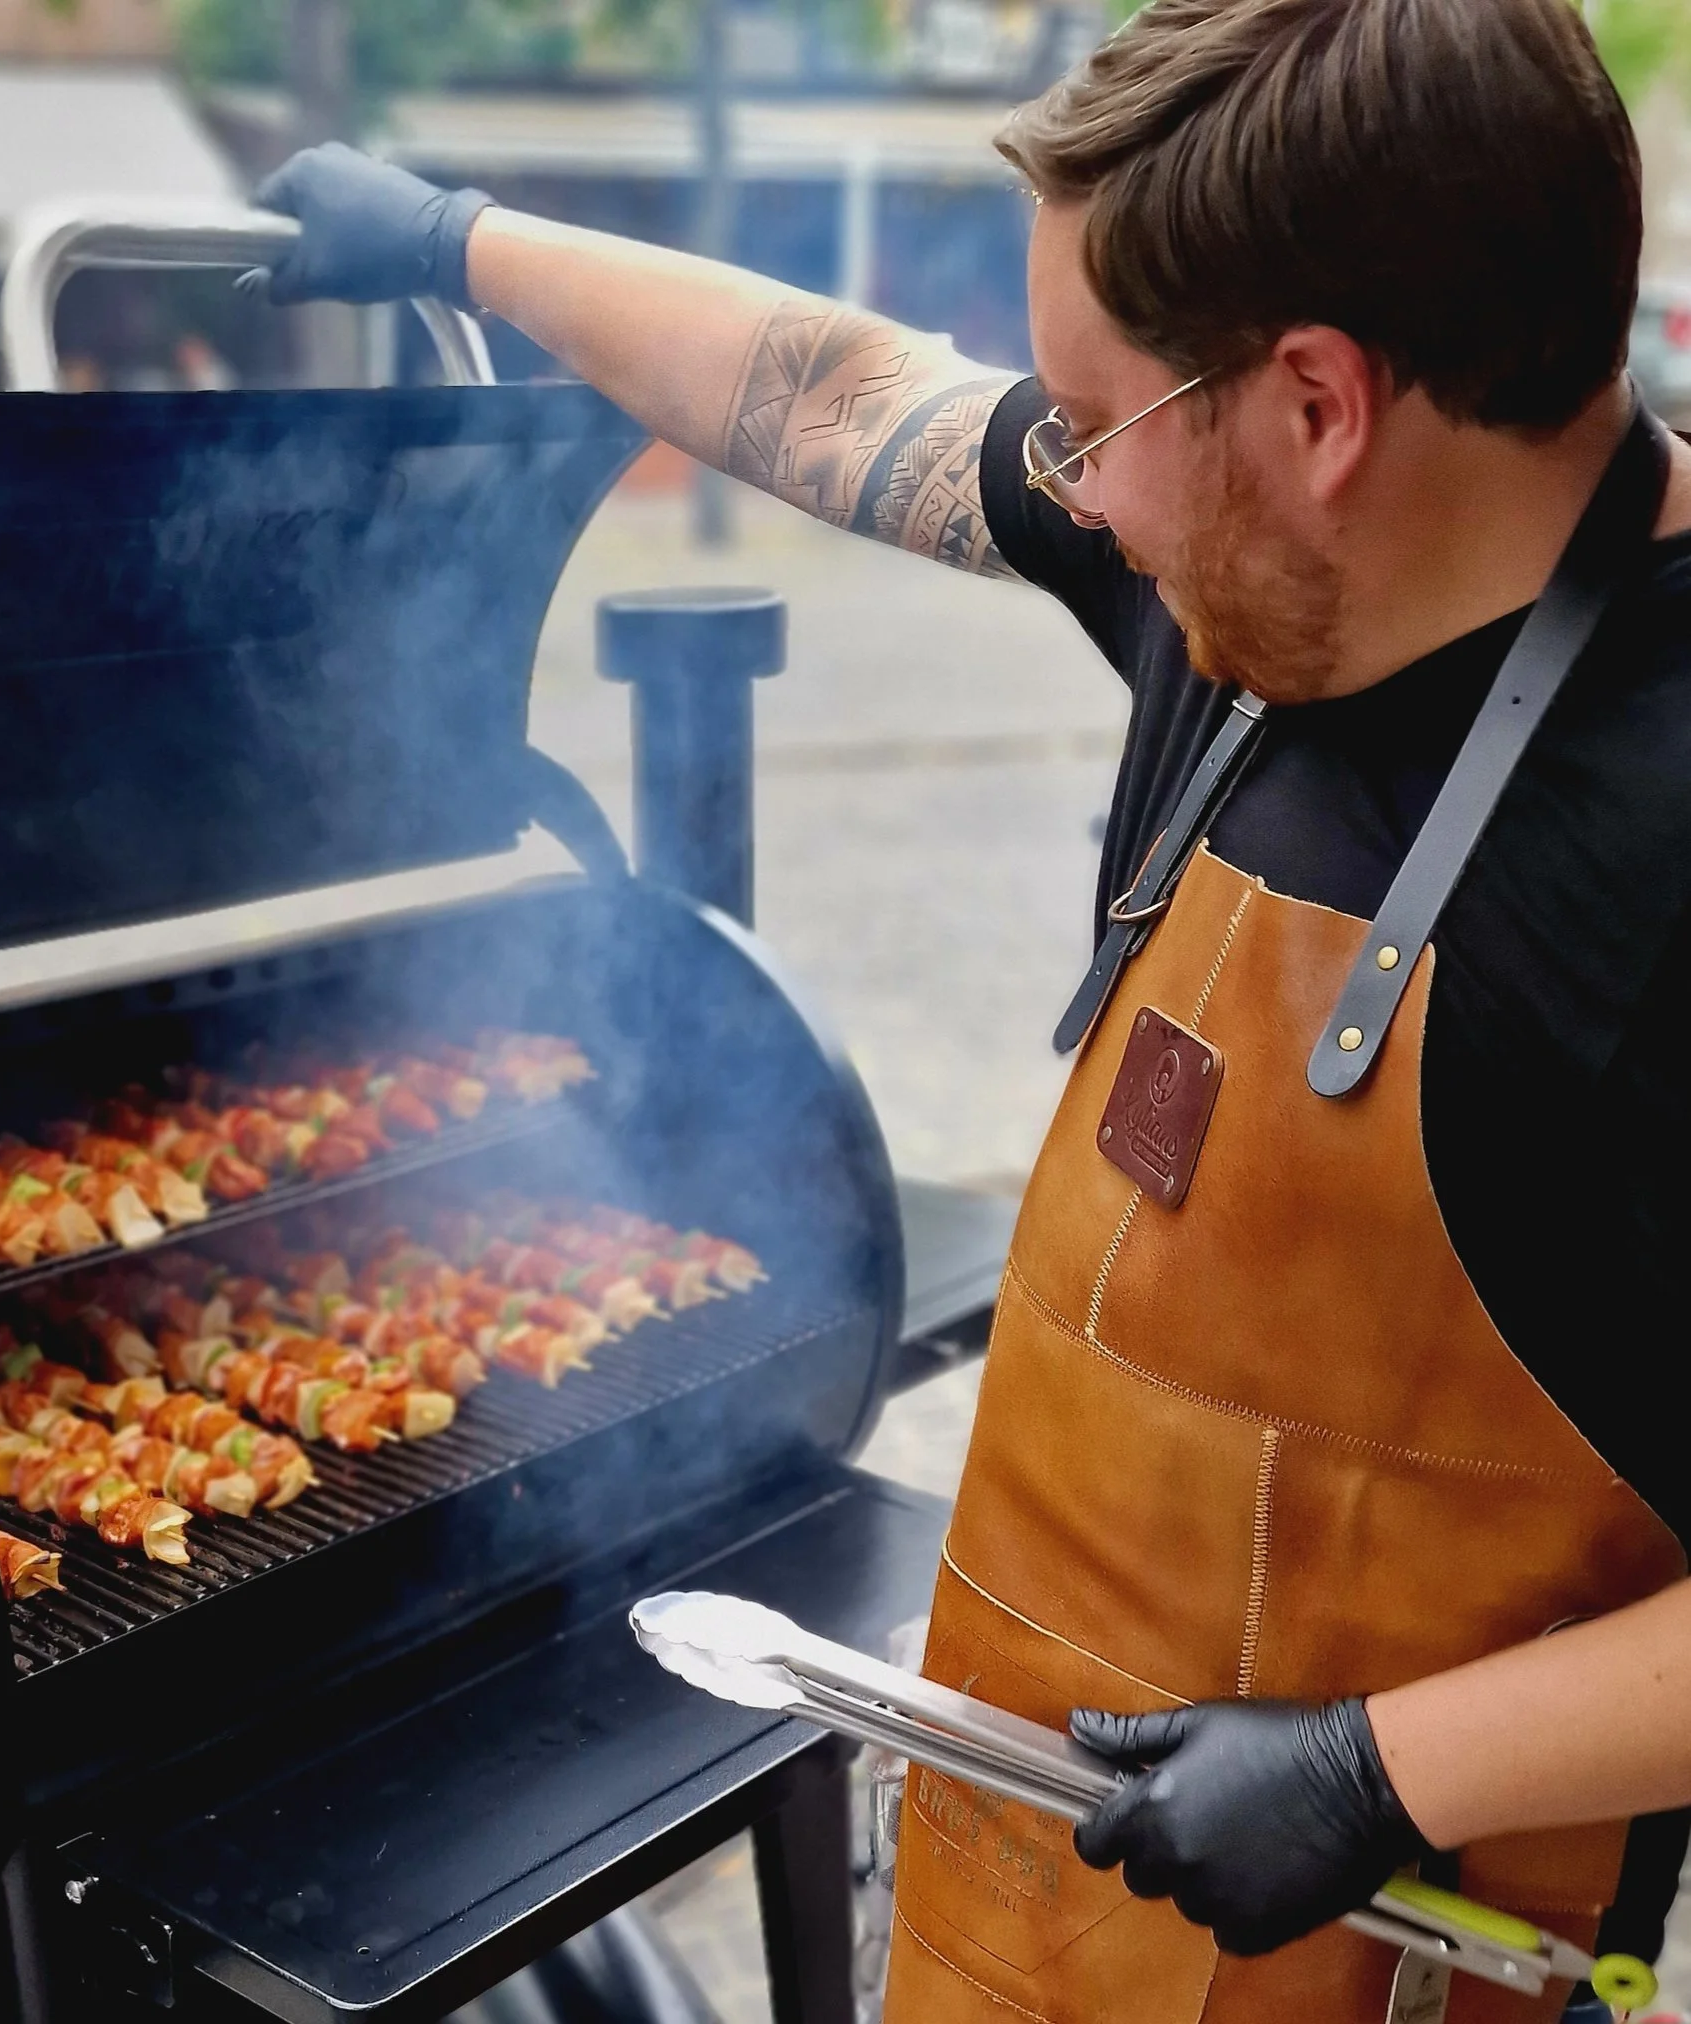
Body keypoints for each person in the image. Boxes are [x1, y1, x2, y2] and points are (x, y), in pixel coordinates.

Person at [253, 2, 1691, 2020]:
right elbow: (844, 397)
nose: (1067, 492)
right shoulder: (1286, 570)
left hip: (1381, 1966)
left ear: (1312, 405)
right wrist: (455, 239)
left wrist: (1389, 1769)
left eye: (1095, 427)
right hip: (1015, 1906)